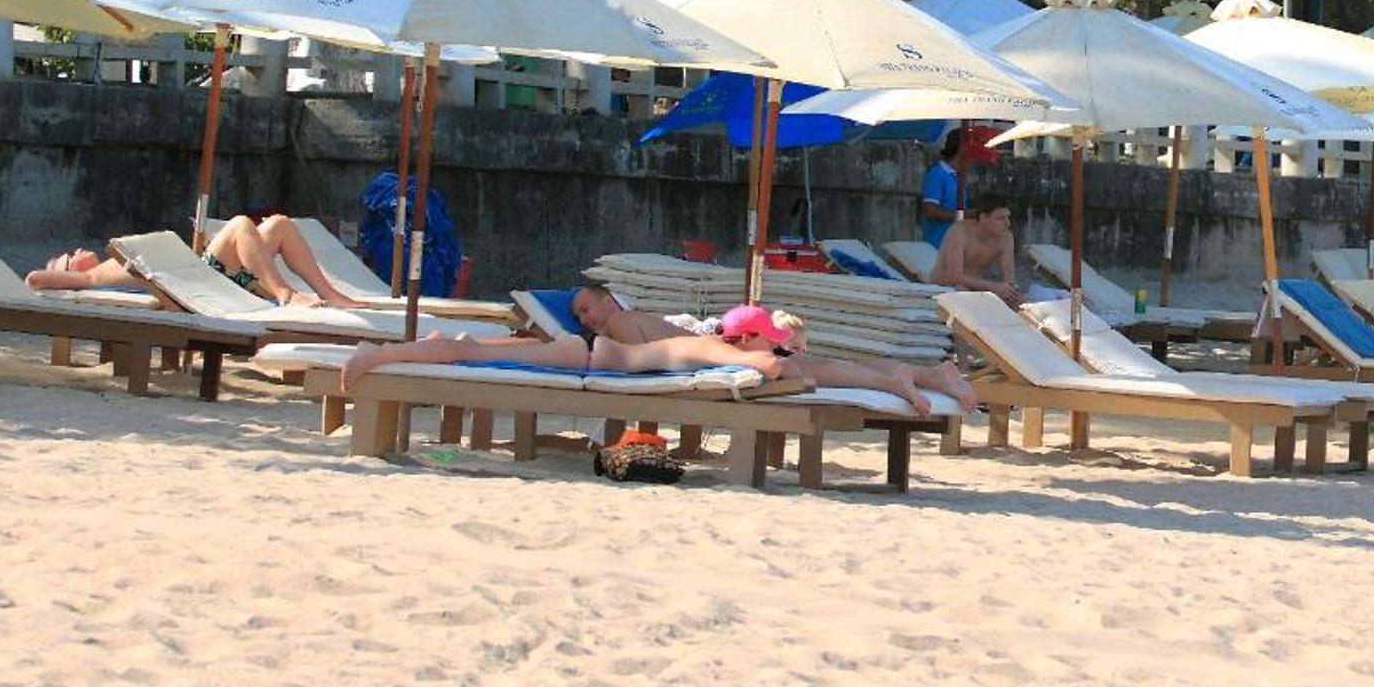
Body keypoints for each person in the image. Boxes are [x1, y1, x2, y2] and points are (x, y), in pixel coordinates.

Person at [341, 284, 976, 414]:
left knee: (812, 363)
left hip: (611, 360)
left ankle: (919, 373)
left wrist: (752, 356)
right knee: (464, 349)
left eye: (590, 305)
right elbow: (704, 357)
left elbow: (695, 353)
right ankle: (377, 353)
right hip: (591, 363)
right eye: (579, 311)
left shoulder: (632, 320)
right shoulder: (609, 335)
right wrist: (754, 359)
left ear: (609, 299)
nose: (587, 313)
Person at [27, 212, 365, 309]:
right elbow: (33, 279)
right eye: (68, 258)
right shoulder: (94, 276)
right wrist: (53, 274)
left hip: (214, 275)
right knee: (240, 224)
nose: (75, 251)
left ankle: (331, 295)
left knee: (279, 223)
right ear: (71, 271)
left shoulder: (113, 258)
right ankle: (284, 294)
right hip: (208, 281)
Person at [930, 193, 1025, 306]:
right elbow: (953, 276)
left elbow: (1010, 278)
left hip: (975, 289)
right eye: (1000, 218)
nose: (1007, 223)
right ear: (983, 218)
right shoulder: (960, 231)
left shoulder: (1005, 237)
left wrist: (1013, 293)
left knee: (1017, 301)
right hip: (944, 287)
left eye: (1008, 217)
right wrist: (993, 287)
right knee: (961, 291)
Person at [918, 130, 965, 249]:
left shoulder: (957, 176)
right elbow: (931, 211)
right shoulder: (937, 174)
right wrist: (964, 215)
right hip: (936, 247)